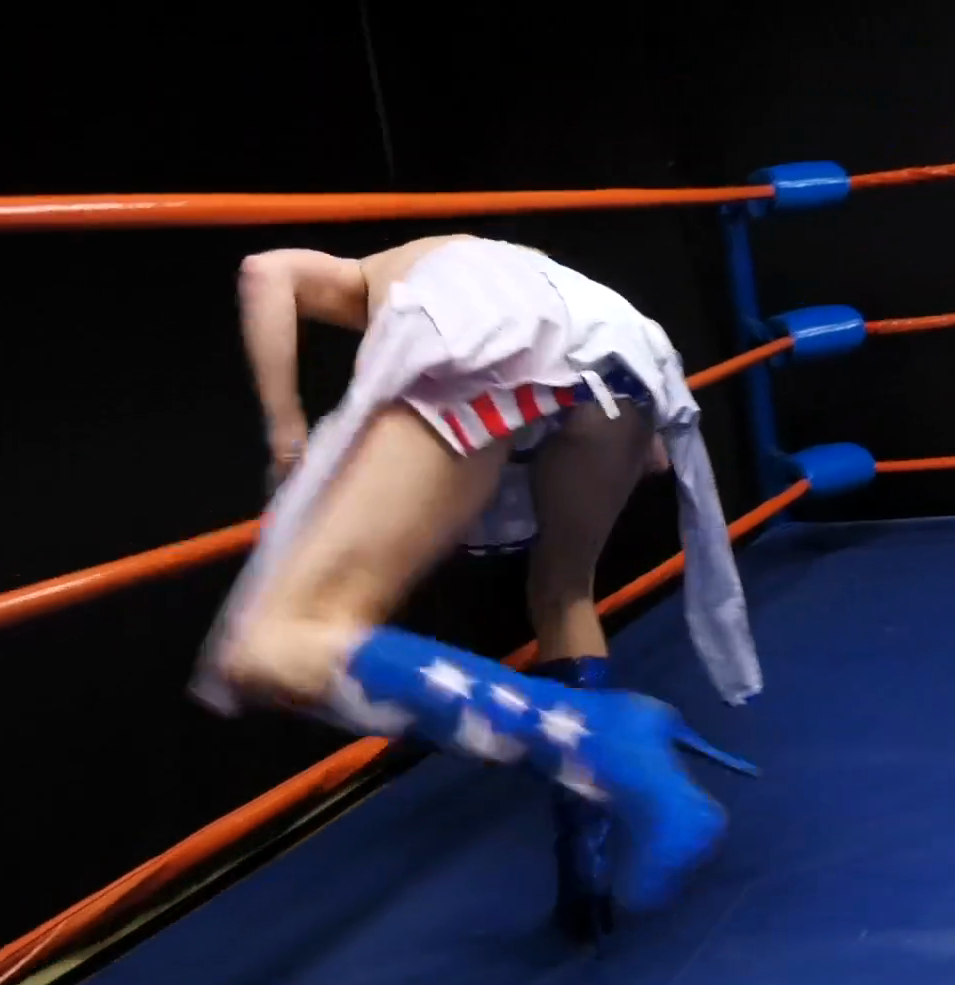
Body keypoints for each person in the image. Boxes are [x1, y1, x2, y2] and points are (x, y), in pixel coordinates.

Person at [189, 234, 763, 932]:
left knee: (273, 642)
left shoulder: (377, 278)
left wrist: (287, 437)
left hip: (483, 329)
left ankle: (608, 737)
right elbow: (643, 453)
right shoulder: (514, 257)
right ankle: (586, 865)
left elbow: (266, 270)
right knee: (564, 591)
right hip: (618, 344)